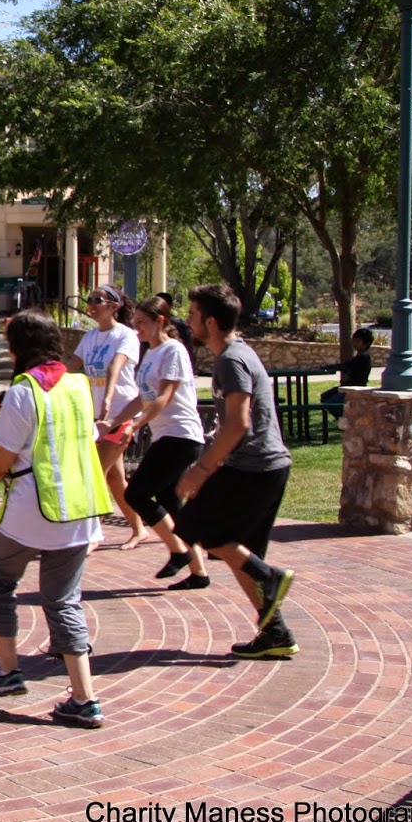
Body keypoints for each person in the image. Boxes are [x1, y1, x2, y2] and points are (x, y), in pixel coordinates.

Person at [0, 309, 111, 728]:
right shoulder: (77, 385)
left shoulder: (23, 391)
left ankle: (9, 671)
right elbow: (86, 445)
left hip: (33, 509)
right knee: (64, 600)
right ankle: (85, 699)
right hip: (79, 507)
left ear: (17, 348)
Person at [174, 284, 298, 660]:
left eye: (193, 315)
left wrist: (202, 469)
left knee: (196, 527)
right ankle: (275, 633)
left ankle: (270, 577)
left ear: (210, 322)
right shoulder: (235, 353)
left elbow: (238, 424)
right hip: (263, 466)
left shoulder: (230, 359)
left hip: (255, 466)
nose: (189, 320)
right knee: (239, 552)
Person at [102, 296, 209, 590]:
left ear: (160, 321)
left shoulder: (173, 351)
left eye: (141, 323)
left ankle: (178, 550)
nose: (136, 329)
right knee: (169, 502)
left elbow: (164, 397)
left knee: (136, 493)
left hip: (182, 436)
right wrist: (112, 423)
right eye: (134, 323)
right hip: (167, 436)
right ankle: (199, 573)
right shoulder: (150, 352)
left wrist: (135, 425)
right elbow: (141, 397)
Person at [68, 283, 144, 548]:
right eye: (90, 298)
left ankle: (92, 533)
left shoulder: (126, 335)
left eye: (98, 299)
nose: (92, 303)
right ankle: (138, 528)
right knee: (113, 479)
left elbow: (115, 366)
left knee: (94, 473)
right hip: (97, 419)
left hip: (122, 414)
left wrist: (109, 399)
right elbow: (72, 366)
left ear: (114, 306)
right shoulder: (89, 337)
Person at [319, 327, 374, 415]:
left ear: (366, 343)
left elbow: (346, 366)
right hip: (346, 386)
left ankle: (346, 418)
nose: (354, 344)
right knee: (325, 396)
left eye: (358, 341)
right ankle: (342, 418)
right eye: (354, 341)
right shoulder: (359, 357)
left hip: (355, 388)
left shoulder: (364, 357)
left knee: (332, 403)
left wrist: (328, 367)